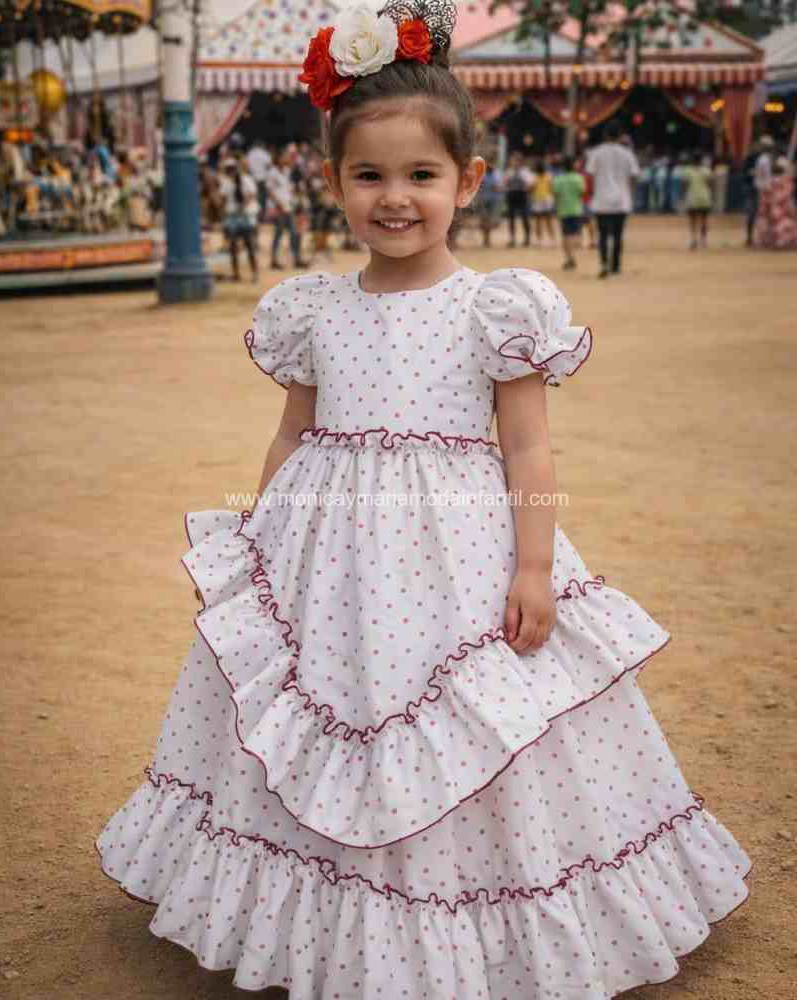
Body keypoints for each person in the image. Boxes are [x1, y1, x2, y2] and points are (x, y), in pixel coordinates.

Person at [95, 0, 751, 994]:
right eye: (368, 175)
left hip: (458, 559)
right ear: (331, 181)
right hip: (324, 566)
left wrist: (533, 567)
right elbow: (290, 433)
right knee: (318, 718)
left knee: (478, 728)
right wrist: (254, 555)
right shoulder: (312, 308)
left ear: (466, 181)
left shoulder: (496, 307)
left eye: (419, 176)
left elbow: (528, 447)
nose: (393, 198)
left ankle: (480, 918)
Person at [586, 120, 640, 277]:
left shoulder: (596, 153)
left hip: (601, 200)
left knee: (602, 234)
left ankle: (604, 263)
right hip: (622, 200)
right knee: (618, 234)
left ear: (605, 135)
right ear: (619, 136)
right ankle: (615, 266)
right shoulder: (627, 154)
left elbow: (589, 174)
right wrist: (630, 190)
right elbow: (634, 175)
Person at [266, 146, 310, 269]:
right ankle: (275, 259)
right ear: (278, 158)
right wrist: (278, 204)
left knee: (293, 232)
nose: (286, 158)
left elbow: (288, 189)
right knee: (279, 233)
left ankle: (296, 258)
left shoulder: (286, 171)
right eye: (284, 156)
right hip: (278, 207)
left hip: (288, 206)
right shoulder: (272, 172)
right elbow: (270, 191)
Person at [218, 155, 259, 281]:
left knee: (249, 245)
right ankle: (237, 273)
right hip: (233, 217)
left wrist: (243, 205)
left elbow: (252, 195)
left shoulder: (245, 180)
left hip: (244, 216)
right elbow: (223, 201)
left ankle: (254, 273)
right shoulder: (226, 183)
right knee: (234, 246)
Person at [753, 154, 797, 249]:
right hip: (778, 207)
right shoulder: (781, 182)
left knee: (777, 225)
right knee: (777, 225)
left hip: (778, 207)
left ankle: (777, 242)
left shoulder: (777, 182)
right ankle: (778, 242)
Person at [551, 154, 585, 269]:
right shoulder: (578, 178)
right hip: (576, 209)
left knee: (566, 235)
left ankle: (569, 258)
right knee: (575, 235)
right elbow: (582, 192)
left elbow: (555, 194)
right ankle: (571, 257)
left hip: (563, 210)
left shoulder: (558, 179)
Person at [682, 150, 713, 250]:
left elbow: (685, 185)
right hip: (704, 198)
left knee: (692, 220)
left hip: (692, 198)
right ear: (701, 160)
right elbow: (710, 184)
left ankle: (693, 240)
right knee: (704, 220)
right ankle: (703, 240)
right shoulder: (706, 170)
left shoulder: (687, 171)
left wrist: (685, 195)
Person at [504, 150, 534, 248]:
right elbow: (505, 183)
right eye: (514, 160)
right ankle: (512, 239)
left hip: (522, 195)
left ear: (521, 161)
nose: (515, 162)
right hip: (512, 194)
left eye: (517, 160)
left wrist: (526, 188)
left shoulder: (525, 171)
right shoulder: (509, 171)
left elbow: (530, 184)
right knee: (511, 218)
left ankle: (527, 238)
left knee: (525, 217)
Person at [473, 158, 504, 247]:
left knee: (490, 220)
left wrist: (498, 188)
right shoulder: (481, 174)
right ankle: (485, 239)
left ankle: (488, 239)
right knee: (484, 219)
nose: (490, 165)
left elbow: (501, 187)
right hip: (483, 200)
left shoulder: (498, 174)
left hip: (494, 200)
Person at [531, 155, 557, 247]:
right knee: (546, 220)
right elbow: (552, 188)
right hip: (544, 199)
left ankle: (546, 239)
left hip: (543, 199)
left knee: (543, 220)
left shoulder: (543, 176)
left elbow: (532, 188)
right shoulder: (546, 176)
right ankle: (548, 239)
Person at [245, 138, 272, 223]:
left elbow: (247, 165)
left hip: (253, 179)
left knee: (254, 198)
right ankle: (262, 217)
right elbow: (269, 166)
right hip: (263, 179)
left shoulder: (250, 154)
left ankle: (255, 217)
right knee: (263, 199)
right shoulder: (264, 153)